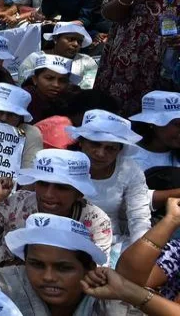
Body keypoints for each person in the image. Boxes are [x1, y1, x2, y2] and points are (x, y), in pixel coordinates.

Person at [0, 149, 113, 267]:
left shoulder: (96, 222)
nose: (49, 194)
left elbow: (95, 277)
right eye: (43, 184)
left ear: (79, 193)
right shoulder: (18, 203)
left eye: (61, 187)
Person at [0, 213, 127, 316]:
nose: (48, 277)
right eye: (37, 265)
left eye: (63, 268)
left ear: (89, 268)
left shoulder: (108, 303)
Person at [65, 110, 151, 259]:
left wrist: (140, 255)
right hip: (63, 239)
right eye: (95, 144)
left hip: (112, 245)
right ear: (81, 141)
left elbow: (139, 218)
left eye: (110, 148)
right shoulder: (62, 164)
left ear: (119, 150)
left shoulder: (130, 170)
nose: (100, 153)